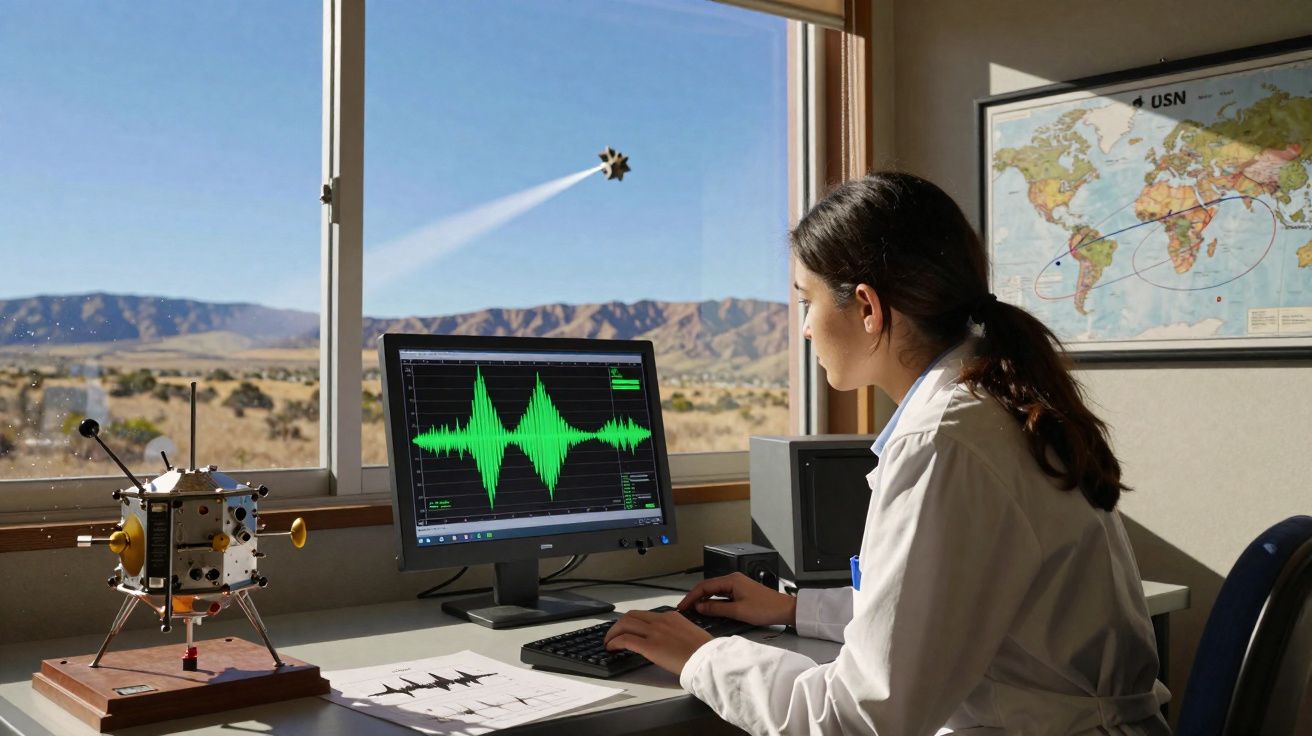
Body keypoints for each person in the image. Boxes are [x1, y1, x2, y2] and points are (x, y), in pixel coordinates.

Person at [602, 172, 1170, 735]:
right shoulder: (993, 404)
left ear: (868, 307)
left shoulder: (942, 442)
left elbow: (859, 720)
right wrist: (795, 609)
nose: (805, 328)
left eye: (806, 301)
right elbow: (933, 611)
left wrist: (702, 657)